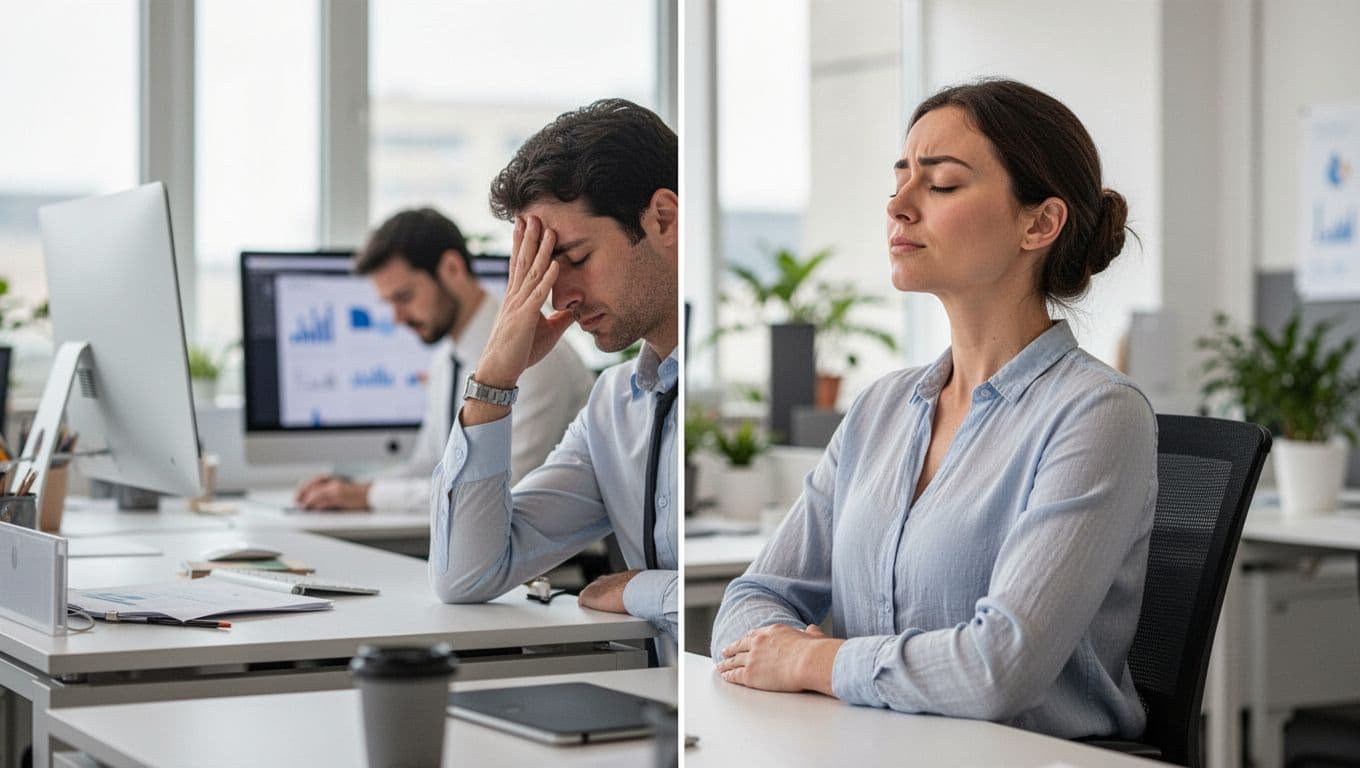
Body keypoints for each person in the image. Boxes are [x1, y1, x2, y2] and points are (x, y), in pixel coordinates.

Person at [711, 78, 1157, 741]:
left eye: (941, 185)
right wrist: (784, 652)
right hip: (875, 746)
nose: (899, 205)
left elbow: (995, 670)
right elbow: (752, 599)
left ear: (1039, 222)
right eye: (900, 180)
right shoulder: (881, 409)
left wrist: (810, 658)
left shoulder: (1097, 413)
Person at [428, 98, 680, 651]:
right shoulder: (614, 407)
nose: (558, 296)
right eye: (539, 273)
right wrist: (496, 371)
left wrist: (641, 590)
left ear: (663, 219)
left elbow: (745, 600)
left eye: (575, 257)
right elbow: (465, 576)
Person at [294, 208, 593, 510]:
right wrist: (350, 489)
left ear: (452, 268)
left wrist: (368, 496)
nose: (397, 318)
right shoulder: (445, 360)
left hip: (557, 556)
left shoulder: (534, 356)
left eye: (404, 297)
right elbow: (429, 466)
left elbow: (503, 490)